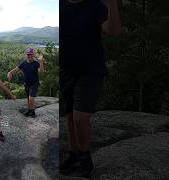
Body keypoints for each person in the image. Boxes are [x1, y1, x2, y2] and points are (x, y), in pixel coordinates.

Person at [61, 0, 121, 177]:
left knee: (81, 117)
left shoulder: (96, 6)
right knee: (70, 115)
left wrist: (112, 4)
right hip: (67, 70)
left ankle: (84, 157)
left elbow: (114, 31)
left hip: (91, 70)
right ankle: (73, 155)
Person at [7, 48, 44, 118]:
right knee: (28, 99)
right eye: (28, 54)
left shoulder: (36, 63)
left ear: (33, 55)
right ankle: (30, 111)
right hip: (27, 84)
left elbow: (41, 71)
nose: (29, 56)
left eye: (30, 54)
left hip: (34, 84)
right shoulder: (24, 63)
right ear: (26, 55)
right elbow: (16, 69)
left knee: (31, 98)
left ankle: (32, 112)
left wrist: (41, 62)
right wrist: (10, 73)